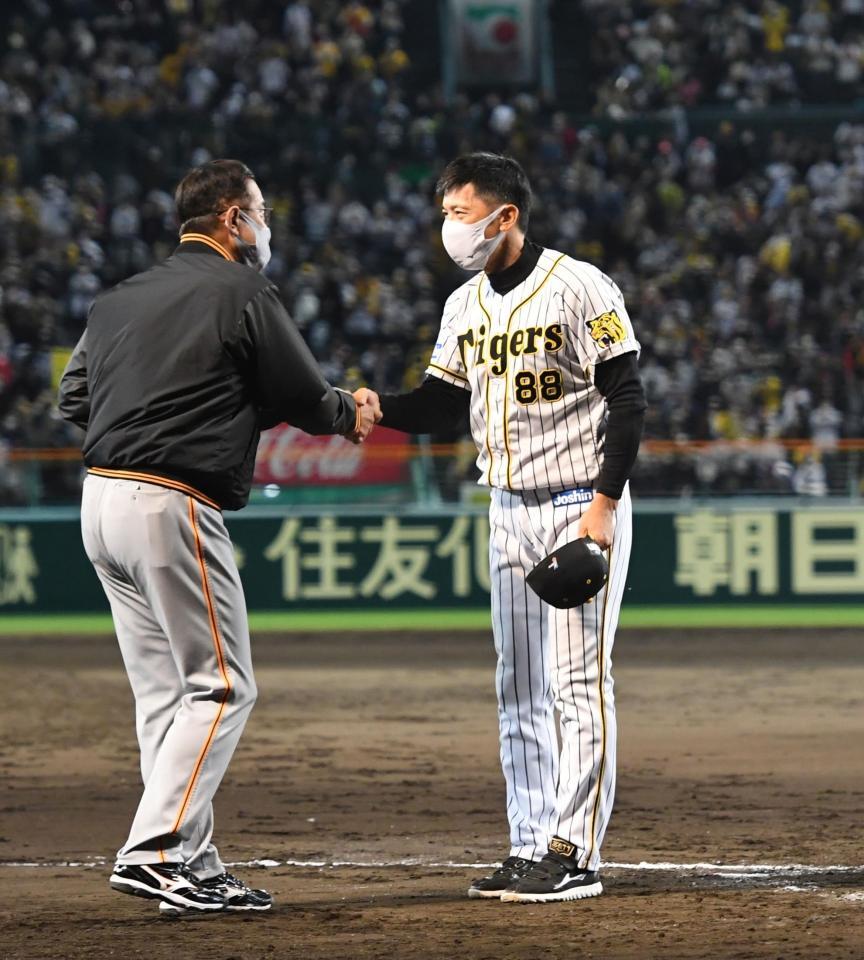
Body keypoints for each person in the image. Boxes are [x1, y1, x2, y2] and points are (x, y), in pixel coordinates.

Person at [57, 159, 377, 915]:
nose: (265, 224)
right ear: (233, 218)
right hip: (170, 504)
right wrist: (349, 414)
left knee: (166, 697)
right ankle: (156, 850)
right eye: (259, 210)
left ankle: (190, 864)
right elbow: (301, 393)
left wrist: (167, 409)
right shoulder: (240, 289)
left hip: (100, 501)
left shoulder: (118, 299)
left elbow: (76, 396)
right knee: (224, 684)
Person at [364, 152, 646, 903]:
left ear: (505, 216)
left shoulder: (581, 285)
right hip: (506, 509)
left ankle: (574, 849)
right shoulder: (463, 307)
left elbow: (628, 398)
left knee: (578, 683)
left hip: (575, 502)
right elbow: (438, 405)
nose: (450, 227)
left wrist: (605, 506)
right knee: (518, 685)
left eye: (460, 212)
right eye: (448, 214)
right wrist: (372, 408)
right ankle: (529, 843)